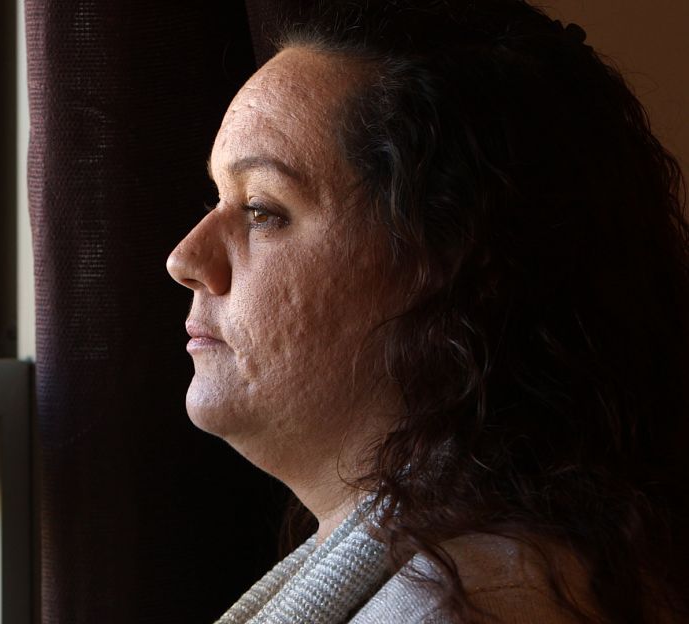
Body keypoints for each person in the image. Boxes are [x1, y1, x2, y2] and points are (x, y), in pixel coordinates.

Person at [165, 1, 689, 622]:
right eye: (218, 199)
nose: (185, 257)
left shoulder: (475, 606)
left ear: (454, 269)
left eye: (263, 210)